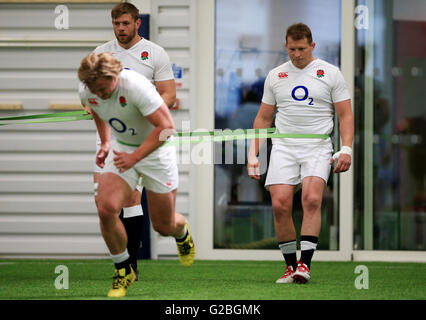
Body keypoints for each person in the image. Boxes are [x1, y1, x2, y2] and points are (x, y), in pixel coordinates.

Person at [78, 52, 195, 297]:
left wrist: (135, 158)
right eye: (94, 90)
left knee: (163, 225)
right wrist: (105, 143)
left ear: (115, 77)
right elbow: (98, 110)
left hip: (157, 152)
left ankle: (181, 231)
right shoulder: (89, 90)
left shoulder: (136, 87)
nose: (99, 94)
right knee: (105, 208)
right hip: (122, 149)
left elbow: (166, 129)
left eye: (103, 89)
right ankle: (123, 269)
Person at [247, 23, 354, 284]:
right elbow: (263, 118)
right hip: (284, 146)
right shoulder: (275, 76)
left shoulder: (330, 73)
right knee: (280, 204)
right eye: (292, 49)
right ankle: (289, 267)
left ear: (312, 46)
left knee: (312, 199)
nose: (296, 54)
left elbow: (345, 115)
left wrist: (346, 148)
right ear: (286, 46)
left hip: (318, 146)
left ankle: (304, 266)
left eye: (302, 49)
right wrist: (253, 154)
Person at [91, 2, 178, 279]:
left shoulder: (155, 53)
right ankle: (123, 260)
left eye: (125, 24)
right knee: (104, 204)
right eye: (116, 24)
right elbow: (91, 97)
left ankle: (130, 266)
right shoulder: (100, 54)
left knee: (132, 199)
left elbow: (169, 95)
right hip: (110, 134)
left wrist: (143, 112)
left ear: (137, 23)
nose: (120, 29)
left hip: (142, 135)